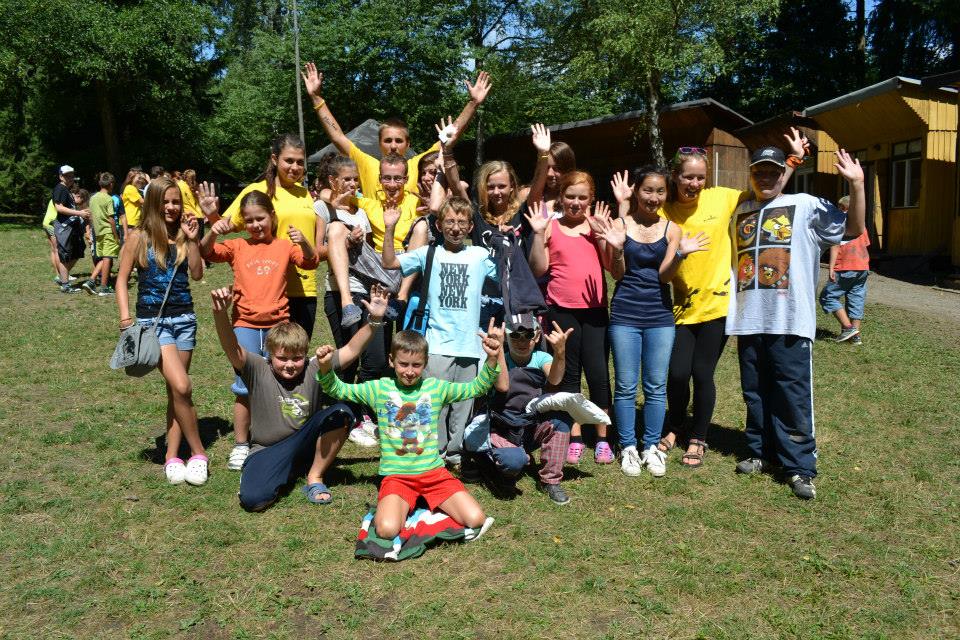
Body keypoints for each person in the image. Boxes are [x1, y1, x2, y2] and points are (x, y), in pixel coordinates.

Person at [654, 131, 806, 468]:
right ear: (675, 176)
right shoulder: (665, 208)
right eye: (687, 177)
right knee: (677, 374)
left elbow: (766, 190)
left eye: (700, 177)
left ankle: (699, 437)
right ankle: (675, 426)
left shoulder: (722, 198)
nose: (694, 184)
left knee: (701, 373)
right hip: (681, 306)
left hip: (718, 304)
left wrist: (793, 161)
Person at [730, 147, 865, 500]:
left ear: (783, 174)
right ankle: (759, 452)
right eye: (759, 171)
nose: (765, 177)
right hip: (749, 319)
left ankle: (799, 466)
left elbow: (853, 228)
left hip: (790, 321)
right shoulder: (741, 210)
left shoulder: (805, 205)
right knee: (755, 392)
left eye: (773, 172)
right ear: (751, 173)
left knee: (792, 394)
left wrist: (857, 185)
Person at [211, 284, 391, 510]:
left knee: (341, 413)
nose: (289, 365)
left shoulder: (315, 366)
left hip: (306, 442)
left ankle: (314, 477)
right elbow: (231, 348)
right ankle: (283, 470)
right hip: (267, 449)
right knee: (254, 500)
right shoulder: (257, 368)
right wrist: (220, 313)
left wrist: (374, 320)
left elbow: (352, 349)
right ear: (270, 355)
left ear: (305, 354)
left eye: (296, 358)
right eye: (282, 358)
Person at [317, 328, 502, 540]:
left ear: (426, 363)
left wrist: (492, 358)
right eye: (403, 364)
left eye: (417, 365)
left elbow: (476, 388)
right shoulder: (379, 389)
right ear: (391, 361)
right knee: (386, 530)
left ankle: (421, 512)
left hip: (434, 475)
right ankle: (419, 510)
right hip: (397, 477)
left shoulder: (436, 388)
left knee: (476, 519)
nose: (410, 371)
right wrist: (325, 367)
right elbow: (338, 390)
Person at [591, 167, 708, 477]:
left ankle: (651, 446)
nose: (653, 197)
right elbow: (617, 273)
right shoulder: (620, 224)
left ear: (665, 194)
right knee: (626, 386)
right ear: (637, 192)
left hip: (659, 316)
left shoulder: (672, 230)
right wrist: (617, 248)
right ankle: (628, 445)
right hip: (625, 315)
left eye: (660, 192)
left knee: (655, 387)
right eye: (647, 190)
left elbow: (664, 276)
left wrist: (680, 254)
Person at [200, 187, 320, 471]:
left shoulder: (283, 246)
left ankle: (278, 437)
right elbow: (206, 251)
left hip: (279, 326)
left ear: (272, 216)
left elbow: (311, 261)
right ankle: (242, 444)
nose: (255, 225)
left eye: (260, 218)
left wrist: (304, 242)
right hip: (245, 324)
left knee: (279, 385)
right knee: (244, 387)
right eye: (249, 220)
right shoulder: (238, 246)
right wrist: (212, 230)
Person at [382, 197, 498, 469]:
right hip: (436, 345)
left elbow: (510, 273)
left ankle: (456, 455)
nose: (455, 228)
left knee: (463, 406)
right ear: (439, 225)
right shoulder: (428, 253)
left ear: (470, 227)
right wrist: (389, 228)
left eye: (462, 222)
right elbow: (389, 262)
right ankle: (436, 454)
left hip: (470, 346)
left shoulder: (479, 255)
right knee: (436, 405)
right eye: (450, 222)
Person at [115, 176, 208, 485]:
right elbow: (121, 280)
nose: (171, 207)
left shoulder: (183, 236)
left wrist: (193, 240)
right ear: (154, 203)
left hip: (185, 321)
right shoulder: (138, 238)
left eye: (176, 201)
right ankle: (199, 453)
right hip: (153, 325)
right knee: (182, 386)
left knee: (175, 392)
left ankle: (171, 456)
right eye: (165, 201)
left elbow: (197, 274)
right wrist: (126, 319)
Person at [301, 62, 491, 198]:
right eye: (388, 140)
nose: (393, 146)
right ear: (379, 143)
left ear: (408, 144)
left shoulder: (418, 164)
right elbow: (337, 137)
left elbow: (450, 136)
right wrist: (317, 99)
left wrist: (473, 103)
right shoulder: (367, 164)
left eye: (399, 141)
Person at [526, 171, 613, 465]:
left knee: (599, 375)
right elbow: (538, 269)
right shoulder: (551, 226)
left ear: (591, 199)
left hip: (595, 311)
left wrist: (603, 236)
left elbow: (611, 266)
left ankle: (602, 438)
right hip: (561, 310)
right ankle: (574, 437)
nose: (576, 202)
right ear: (561, 197)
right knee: (569, 375)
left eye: (582, 197)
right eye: (570, 196)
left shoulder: (596, 224)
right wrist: (539, 235)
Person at [214, 134, 324, 338]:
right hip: (270, 292)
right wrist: (212, 214)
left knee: (297, 353)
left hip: (305, 289)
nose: (295, 167)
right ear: (274, 159)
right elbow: (224, 226)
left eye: (300, 162)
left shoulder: (305, 194)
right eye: (289, 160)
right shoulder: (257, 190)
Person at [478, 314, 575, 505]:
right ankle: (496, 466)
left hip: (529, 426)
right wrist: (498, 352)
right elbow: (503, 386)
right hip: (501, 429)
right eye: (515, 336)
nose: (521, 342)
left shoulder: (541, 358)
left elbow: (555, 379)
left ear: (537, 337)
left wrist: (560, 353)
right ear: (506, 337)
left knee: (561, 421)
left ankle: (551, 480)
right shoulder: (496, 358)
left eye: (528, 335)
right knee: (514, 462)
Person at [819, 196, 869, 345]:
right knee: (856, 299)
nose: (838, 210)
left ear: (847, 209)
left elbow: (835, 246)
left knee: (828, 296)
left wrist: (831, 267)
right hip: (862, 267)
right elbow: (865, 244)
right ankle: (855, 337)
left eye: (840, 208)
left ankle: (848, 328)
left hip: (844, 267)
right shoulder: (861, 225)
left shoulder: (840, 223)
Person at [51, 165, 90, 292]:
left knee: (78, 250)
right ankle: (65, 285)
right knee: (65, 256)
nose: (70, 178)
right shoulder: (60, 189)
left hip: (72, 227)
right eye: (67, 175)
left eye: (71, 175)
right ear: (61, 176)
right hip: (64, 228)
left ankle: (63, 277)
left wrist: (81, 212)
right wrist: (79, 213)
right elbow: (59, 208)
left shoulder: (66, 189)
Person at [525, 124, 577, 214]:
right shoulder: (528, 194)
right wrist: (543, 153)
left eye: (557, 168)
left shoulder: (576, 198)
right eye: (546, 167)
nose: (549, 174)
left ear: (568, 168)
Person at [83, 172, 120, 296]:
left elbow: (91, 216)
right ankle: (104, 288)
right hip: (108, 232)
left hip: (97, 232)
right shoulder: (109, 199)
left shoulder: (93, 198)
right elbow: (111, 219)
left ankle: (91, 281)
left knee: (103, 258)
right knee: (108, 258)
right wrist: (116, 235)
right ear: (111, 184)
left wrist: (90, 231)